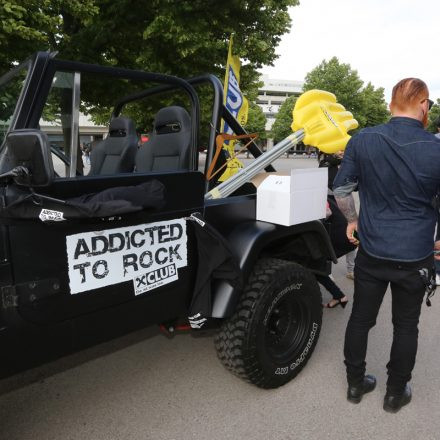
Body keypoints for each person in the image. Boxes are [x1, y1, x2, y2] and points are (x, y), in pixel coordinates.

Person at [333, 78, 440, 413]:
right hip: (415, 253)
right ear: (423, 105)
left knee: (361, 317)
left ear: (392, 103)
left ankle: (355, 384)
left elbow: (341, 191)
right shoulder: (435, 148)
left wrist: (352, 220)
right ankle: (395, 393)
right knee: (406, 324)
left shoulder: (362, 139)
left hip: (372, 250)